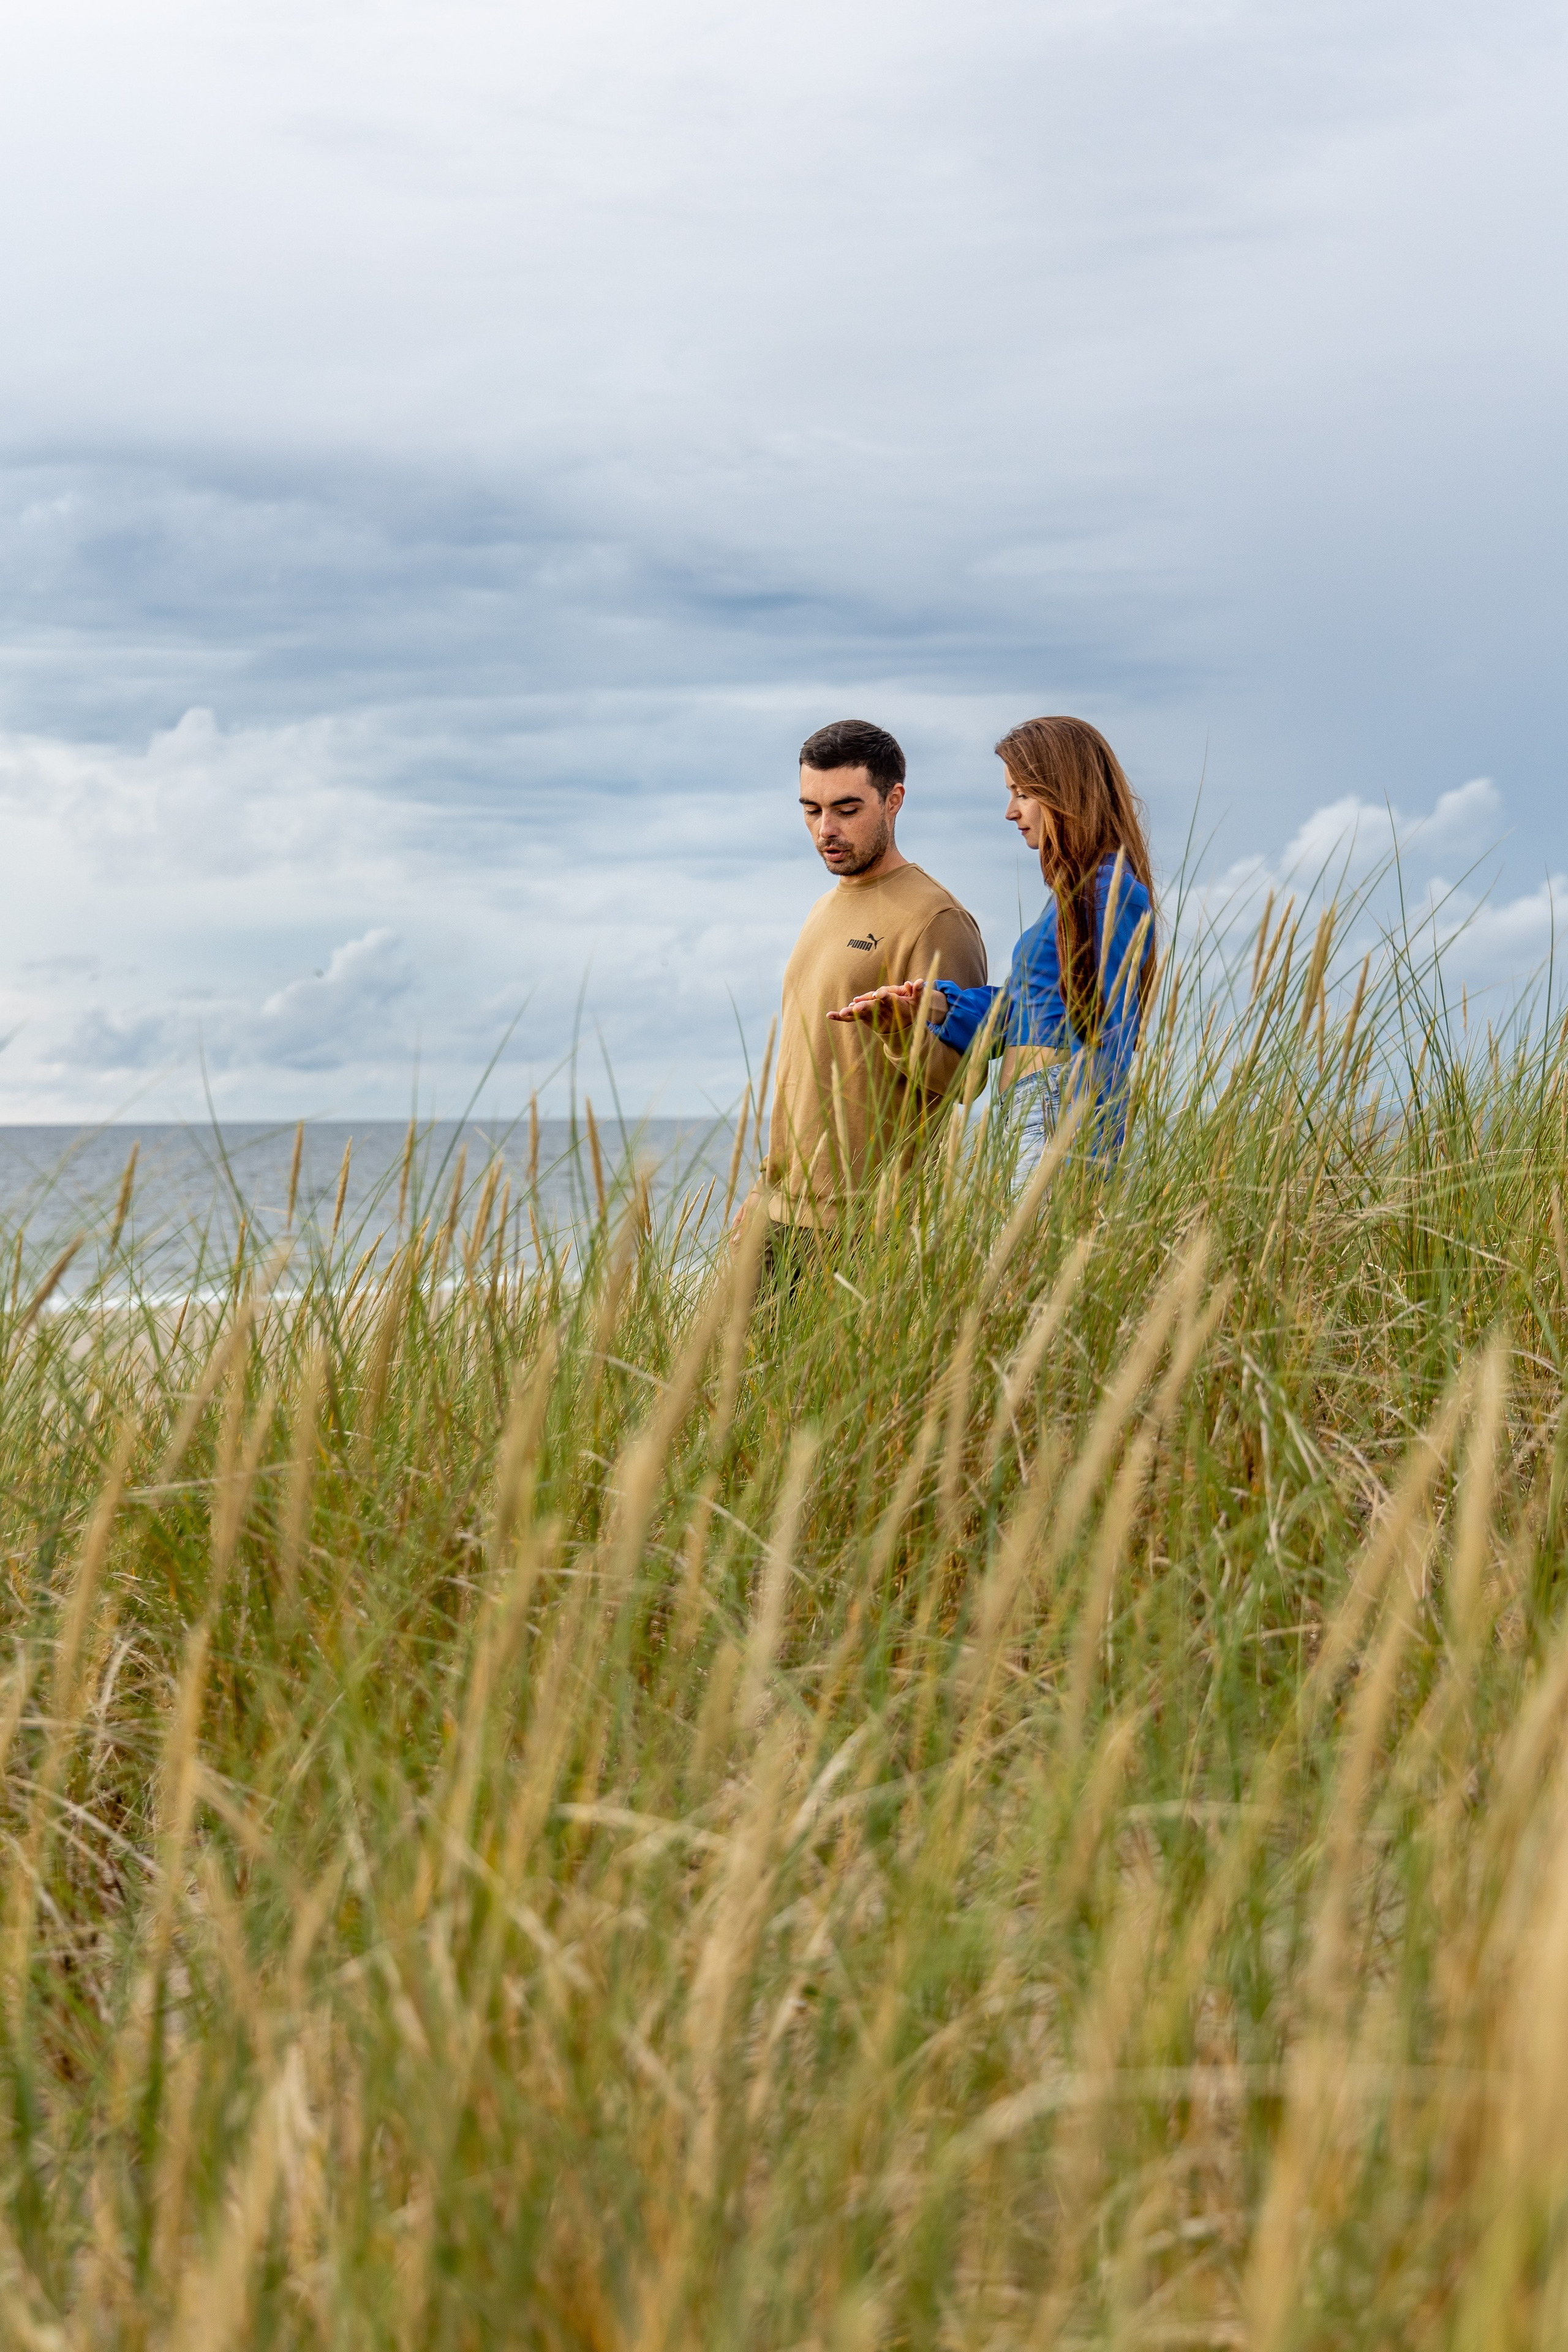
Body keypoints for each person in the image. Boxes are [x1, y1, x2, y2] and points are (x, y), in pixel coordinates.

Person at [830, 715, 1156, 1168]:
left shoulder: (1109, 892)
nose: (1010, 811)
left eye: (1023, 793)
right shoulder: (1074, 897)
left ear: (1066, 793)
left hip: (1059, 1117)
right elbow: (1026, 1009)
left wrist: (1089, 1152)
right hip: (1032, 1114)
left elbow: (1109, 1032)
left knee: (1037, 1242)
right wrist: (934, 1005)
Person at [753, 718, 988, 1270]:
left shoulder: (936, 920)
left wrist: (898, 1031)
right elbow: (802, 1066)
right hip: (784, 1213)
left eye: (846, 809)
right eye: (811, 810)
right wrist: (765, 1192)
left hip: (871, 1226)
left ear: (893, 800)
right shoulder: (822, 908)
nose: (824, 829)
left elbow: (966, 1079)